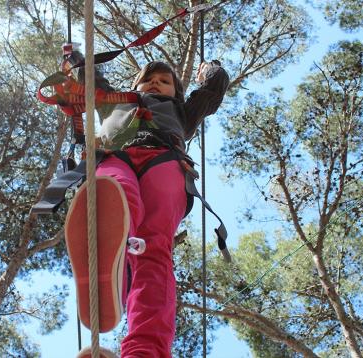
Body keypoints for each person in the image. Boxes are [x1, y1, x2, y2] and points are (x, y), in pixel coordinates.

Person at [67, 54, 229, 358]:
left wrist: (211, 70)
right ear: (134, 84)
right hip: (116, 157)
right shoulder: (115, 102)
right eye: (147, 79)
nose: (154, 82)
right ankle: (112, 264)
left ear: (176, 93)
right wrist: (76, 59)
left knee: (154, 248)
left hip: (164, 160)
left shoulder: (182, 112)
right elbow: (89, 79)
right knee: (115, 195)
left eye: (165, 81)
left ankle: (144, 351)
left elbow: (212, 90)